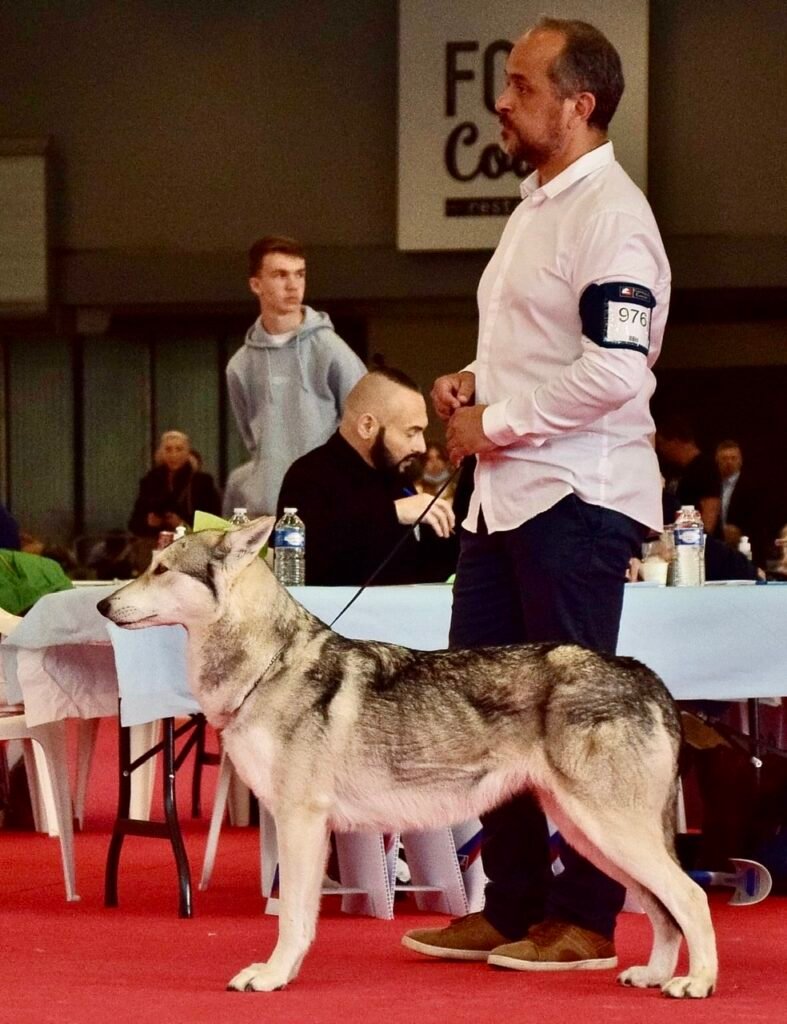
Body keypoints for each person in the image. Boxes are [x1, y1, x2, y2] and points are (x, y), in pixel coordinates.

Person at [402, 18, 670, 972]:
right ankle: (510, 903)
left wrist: (498, 424)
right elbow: (539, 349)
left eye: (518, 85)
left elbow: (615, 372)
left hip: (575, 500)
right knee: (484, 713)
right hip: (504, 501)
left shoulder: (614, 219)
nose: (501, 100)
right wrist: (474, 381)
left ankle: (589, 918)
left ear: (577, 104)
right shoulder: (533, 206)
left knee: (574, 716)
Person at [226, 235, 366, 516]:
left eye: (299, 274)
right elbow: (253, 441)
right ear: (256, 285)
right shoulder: (239, 365)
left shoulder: (332, 350)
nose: (293, 285)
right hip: (269, 511)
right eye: (280, 275)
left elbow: (365, 425)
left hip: (329, 505)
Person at [276, 367, 456, 585]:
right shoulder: (308, 475)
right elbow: (313, 558)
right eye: (411, 433)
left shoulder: (396, 476)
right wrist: (394, 513)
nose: (421, 446)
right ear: (367, 426)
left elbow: (424, 566)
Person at [128, 430, 221, 539]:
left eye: (179, 449)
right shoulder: (150, 481)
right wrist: (148, 522)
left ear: (187, 453)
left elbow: (215, 522)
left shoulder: (202, 482)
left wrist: (182, 524)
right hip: (156, 546)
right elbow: (133, 524)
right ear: (162, 453)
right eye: (168, 449)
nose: (173, 455)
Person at [655, 414, 721, 536]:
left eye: (662, 444)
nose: (661, 450)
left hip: (698, 546)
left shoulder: (706, 467)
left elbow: (710, 514)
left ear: (674, 441)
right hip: (682, 541)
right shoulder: (679, 471)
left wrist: (699, 543)